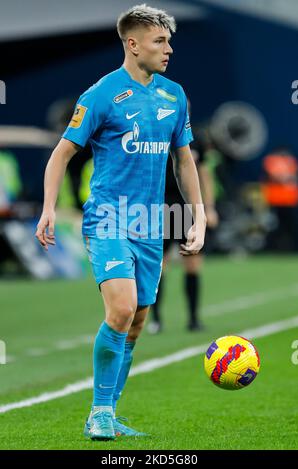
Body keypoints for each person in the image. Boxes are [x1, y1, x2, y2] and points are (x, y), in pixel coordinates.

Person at [35, 4, 206, 441]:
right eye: (159, 42)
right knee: (122, 309)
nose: (168, 49)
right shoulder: (100, 95)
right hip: (108, 219)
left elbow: (184, 160)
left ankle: (109, 411)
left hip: (153, 223)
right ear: (132, 45)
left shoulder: (175, 95)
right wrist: (49, 208)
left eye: (168, 41)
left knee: (137, 319)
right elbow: (62, 153)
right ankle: (98, 412)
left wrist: (198, 215)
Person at [148, 131, 218, 334]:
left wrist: (209, 207)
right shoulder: (156, 132)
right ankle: (156, 319)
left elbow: (204, 174)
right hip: (160, 205)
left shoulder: (196, 137)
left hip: (188, 205)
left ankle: (194, 318)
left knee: (193, 263)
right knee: (159, 265)